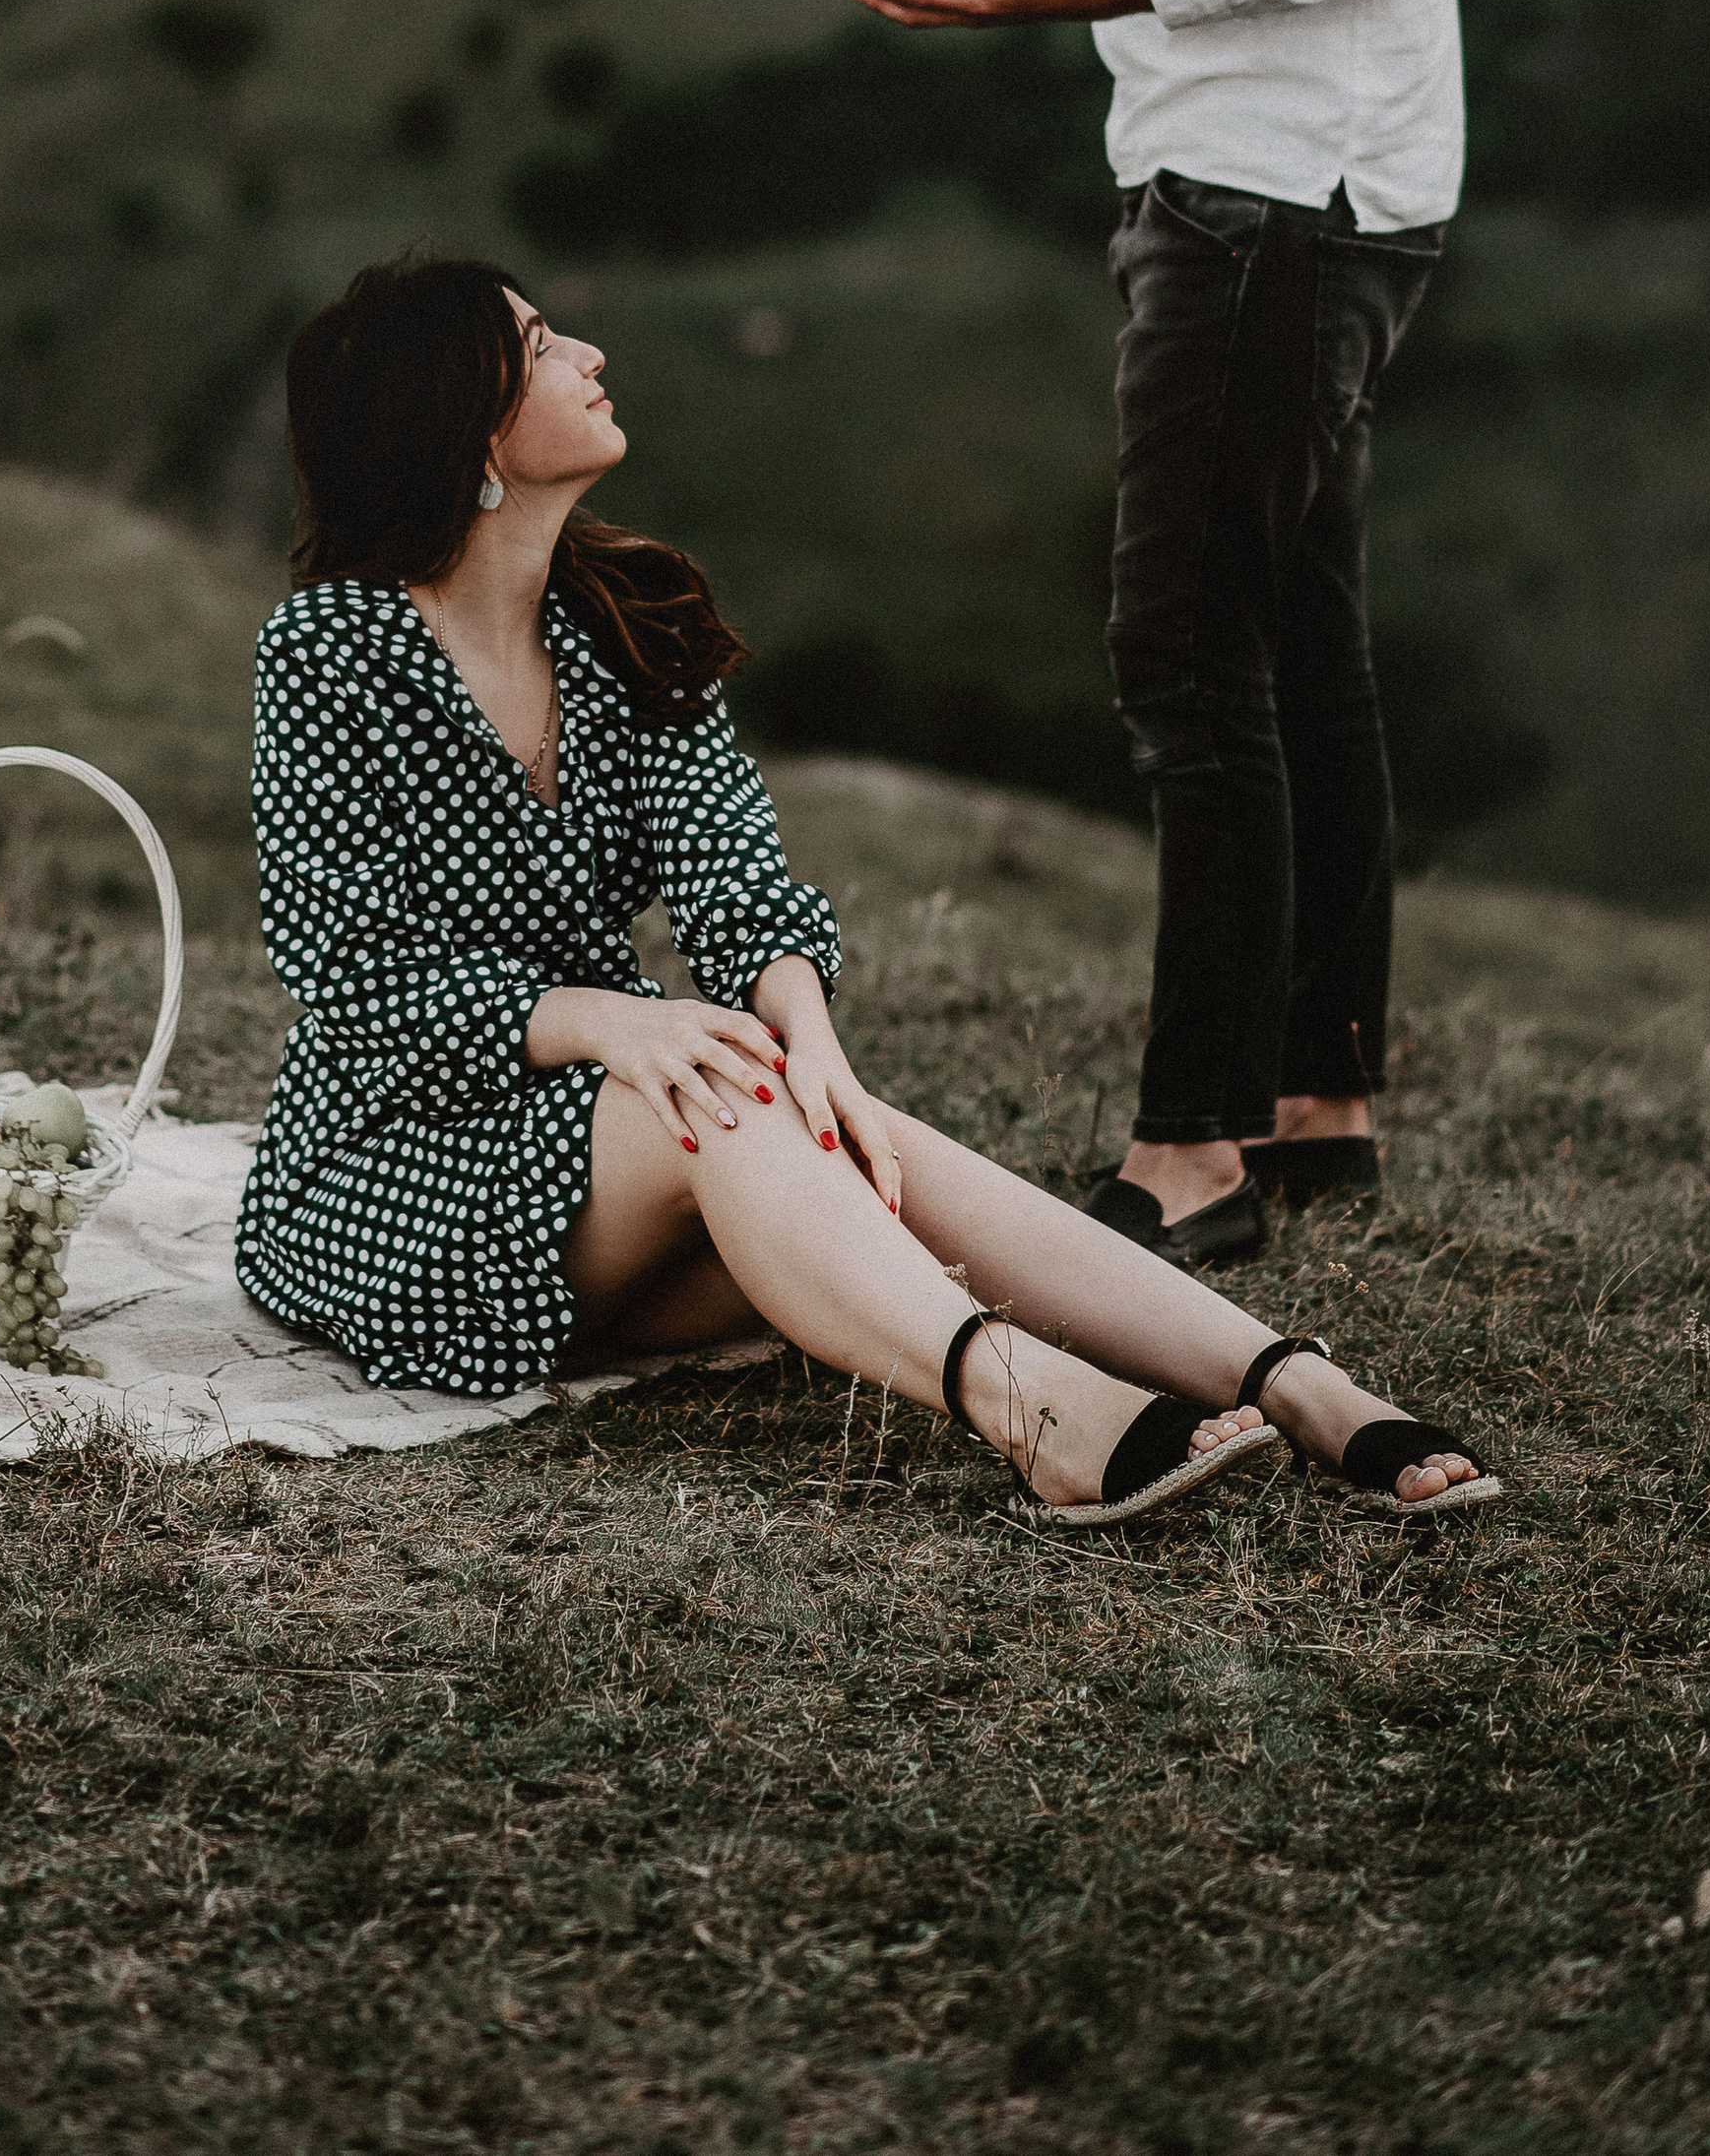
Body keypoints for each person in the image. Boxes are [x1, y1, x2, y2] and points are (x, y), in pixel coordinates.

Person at [232, 253, 1491, 1525]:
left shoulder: (624, 617)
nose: (589, 356)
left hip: (626, 1147)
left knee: (821, 1116)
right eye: (544, 343)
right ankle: (1030, 1405)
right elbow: (349, 966)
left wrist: (813, 1043)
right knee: (719, 1090)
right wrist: (613, 1019)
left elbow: (733, 868)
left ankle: (1294, 1380)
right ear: (466, 424)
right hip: (395, 1165)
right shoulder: (335, 649)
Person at [789, 0, 1462, 1268]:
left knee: (1184, 650)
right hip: (1229, 159)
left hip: (1287, 185)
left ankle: (1191, 1153)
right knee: (1295, 635)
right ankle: (1315, 1091)